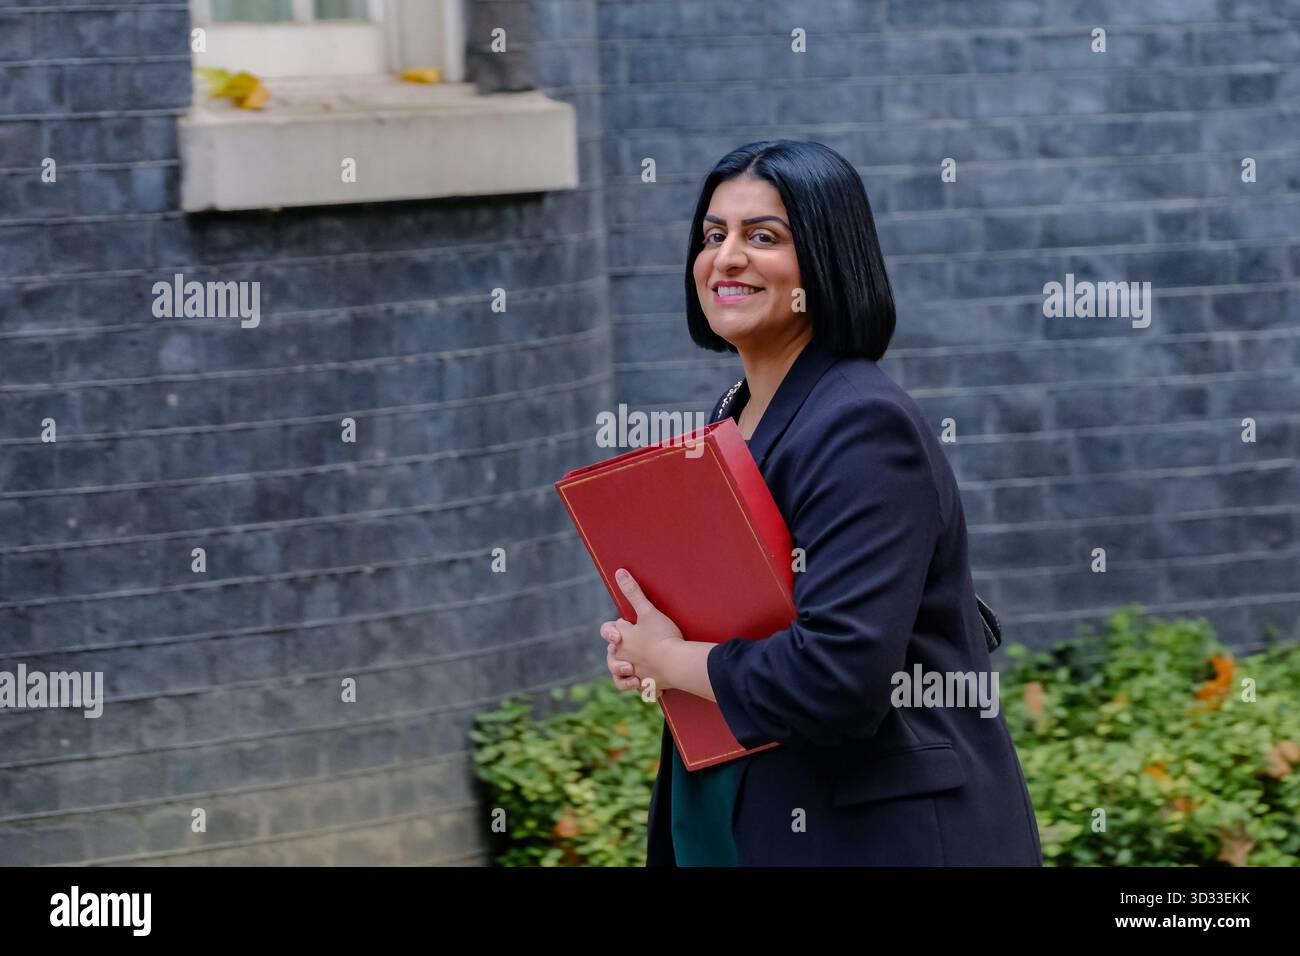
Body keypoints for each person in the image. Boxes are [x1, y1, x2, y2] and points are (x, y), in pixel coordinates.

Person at [600, 139, 1042, 866]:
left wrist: (676, 660)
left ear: (827, 260)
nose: (727, 258)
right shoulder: (735, 411)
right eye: (713, 236)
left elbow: (839, 678)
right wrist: (654, 645)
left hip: (871, 832)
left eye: (762, 236)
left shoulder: (861, 424)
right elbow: (754, 616)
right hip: (747, 804)